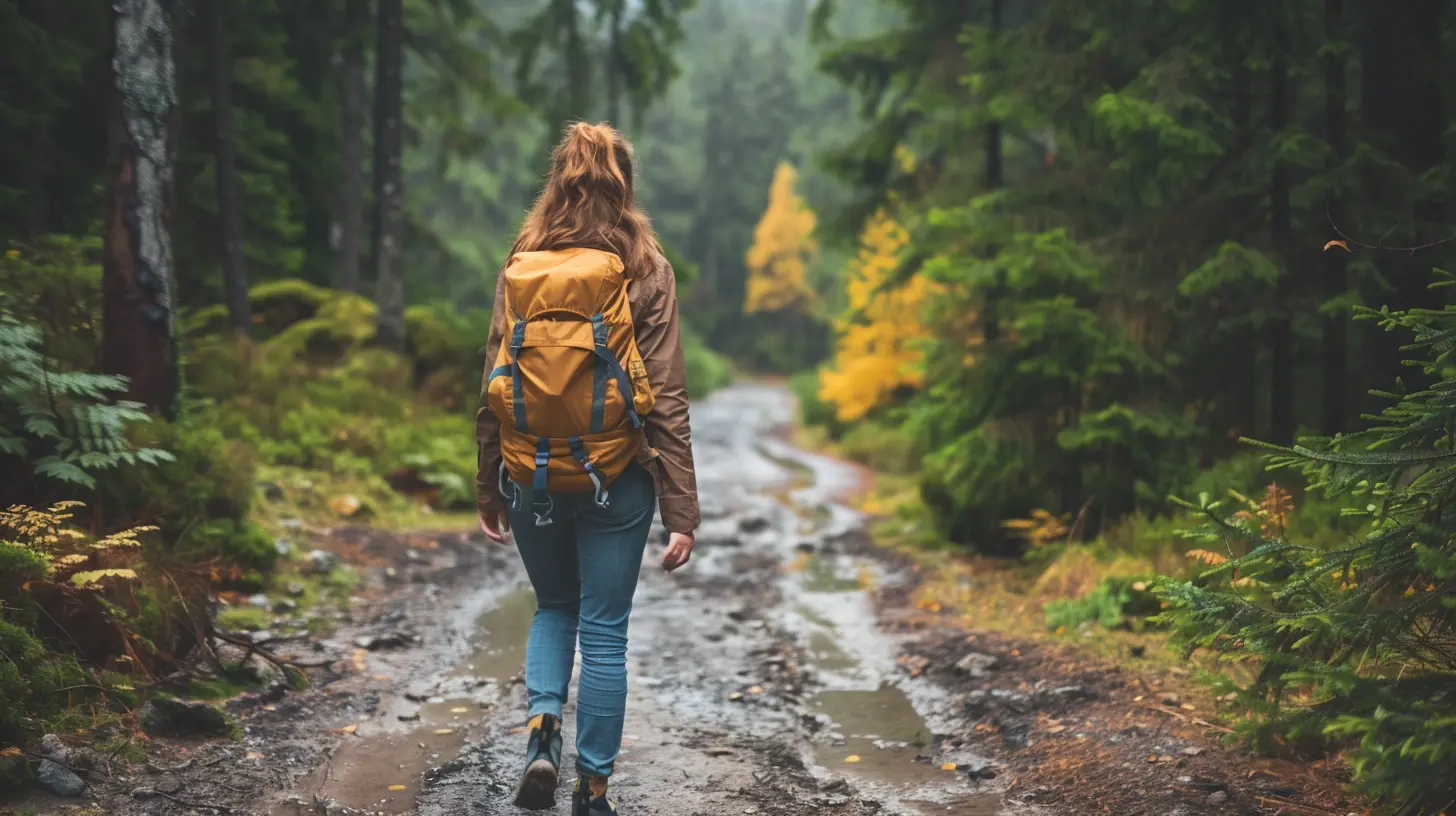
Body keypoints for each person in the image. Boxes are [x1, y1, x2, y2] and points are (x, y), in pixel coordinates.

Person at [474, 121, 699, 816]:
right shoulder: (645, 263)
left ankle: (543, 731)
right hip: (618, 477)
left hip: (532, 471)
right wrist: (681, 510)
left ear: (558, 178)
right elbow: (665, 394)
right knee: (604, 631)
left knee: (554, 606)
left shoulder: (525, 257)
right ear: (624, 181)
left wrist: (489, 481)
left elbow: (494, 375)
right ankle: (592, 790)